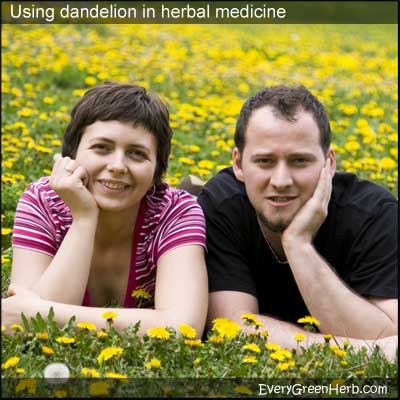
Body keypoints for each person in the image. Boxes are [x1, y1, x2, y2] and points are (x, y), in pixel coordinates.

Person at [198, 85, 398, 355]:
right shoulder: (221, 205)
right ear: (238, 164)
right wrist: (354, 349)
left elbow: (389, 335)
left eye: (300, 161)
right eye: (265, 161)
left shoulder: (375, 214)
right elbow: (233, 327)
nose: (281, 181)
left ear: (329, 162)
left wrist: (298, 244)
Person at [3, 82, 208, 337]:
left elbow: (184, 329)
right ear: (72, 154)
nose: (118, 165)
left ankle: (196, 191)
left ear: (157, 170)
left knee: (198, 204)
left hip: (168, 210)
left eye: (137, 153)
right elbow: (23, 327)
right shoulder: (42, 200)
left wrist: (43, 314)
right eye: (102, 147)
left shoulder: (177, 211)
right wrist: (84, 218)